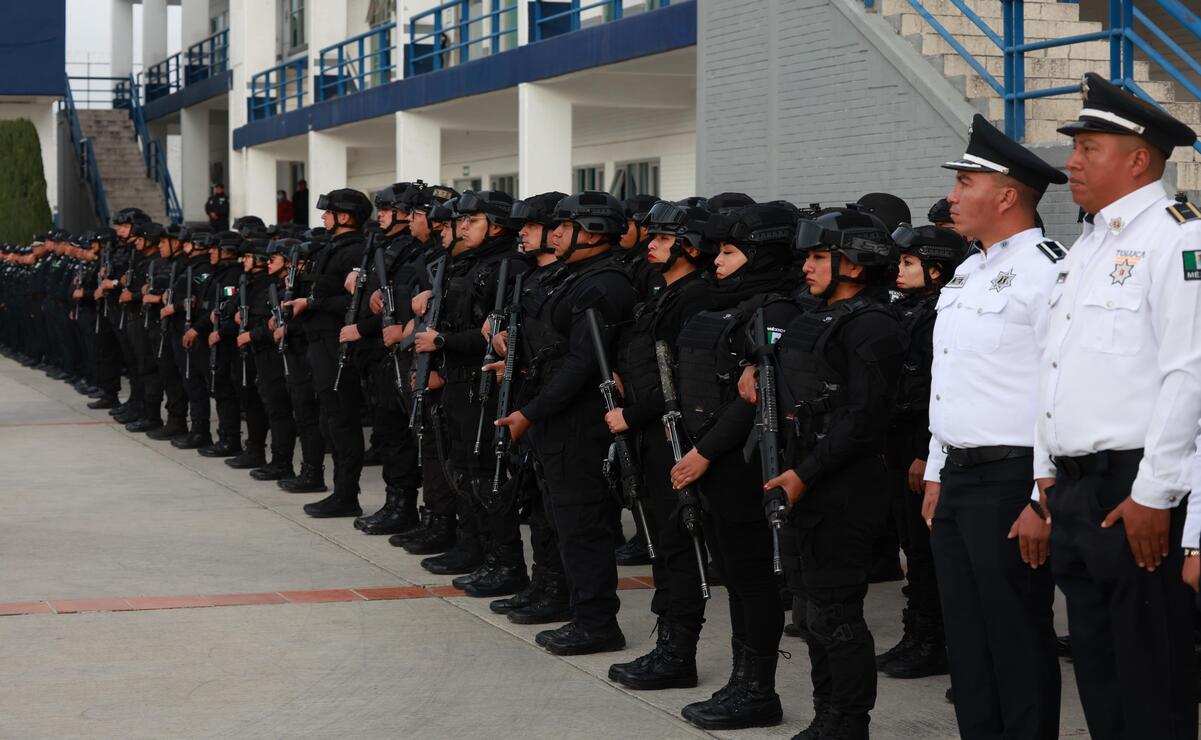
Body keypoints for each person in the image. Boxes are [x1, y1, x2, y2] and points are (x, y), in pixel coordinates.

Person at [1035, 72, 1201, 740]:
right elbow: (1054, 369)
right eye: (1073, 146)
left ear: (1137, 158)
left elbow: (1188, 373)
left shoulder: (1178, 238)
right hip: (1076, 495)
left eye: (1088, 147)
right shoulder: (1087, 247)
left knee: (1151, 677)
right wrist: (1044, 473)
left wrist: (1154, 495)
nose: (1071, 160)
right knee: (1099, 677)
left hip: (1134, 492)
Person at [923, 113, 1068, 740]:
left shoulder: (1049, 270)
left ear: (1006, 194)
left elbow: (1061, 387)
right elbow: (949, 380)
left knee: (1016, 633)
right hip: (957, 477)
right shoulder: (967, 271)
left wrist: (1043, 495)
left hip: (1014, 477)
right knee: (968, 639)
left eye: (965, 183)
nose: (952, 196)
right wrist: (935, 472)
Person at [494, 191, 638, 656]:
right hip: (554, 417)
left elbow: (581, 364)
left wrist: (530, 413)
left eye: (564, 226)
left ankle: (597, 623)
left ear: (593, 232)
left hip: (578, 423)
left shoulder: (604, 284)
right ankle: (577, 610)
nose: (553, 233)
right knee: (561, 521)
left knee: (583, 525)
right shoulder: (571, 276)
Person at [674, 203, 799, 731]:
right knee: (737, 579)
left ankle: (757, 690)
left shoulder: (781, 311)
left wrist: (702, 454)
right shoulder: (729, 305)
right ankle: (742, 680)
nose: (717, 262)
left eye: (729, 252)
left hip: (744, 465)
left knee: (753, 582)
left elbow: (754, 403)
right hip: (714, 463)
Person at [605, 201, 714, 691]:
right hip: (648, 433)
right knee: (663, 548)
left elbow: (678, 384)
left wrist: (630, 413)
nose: (651, 243)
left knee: (677, 547)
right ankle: (668, 646)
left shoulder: (694, 298)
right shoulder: (662, 293)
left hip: (672, 435)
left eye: (665, 239)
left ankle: (678, 653)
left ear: (689, 247)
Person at [875, 223, 967, 682]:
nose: (899, 270)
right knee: (913, 545)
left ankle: (933, 641)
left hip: (922, 446)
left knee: (927, 551)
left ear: (936, 270)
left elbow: (936, 393)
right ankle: (919, 633)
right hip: (900, 442)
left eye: (909, 263)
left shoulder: (940, 316)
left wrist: (921, 456)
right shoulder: (908, 311)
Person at [284, 188, 372, 518]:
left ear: (344, 216)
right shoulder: (334, 248)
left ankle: (347, 495)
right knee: (330, 420)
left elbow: (355, 300)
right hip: (319, 344)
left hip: (338, 346)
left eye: (329, 212)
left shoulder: (356, 251)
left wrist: (313, 303)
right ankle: (340, 491)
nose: (323, 217)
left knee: (342, 421)